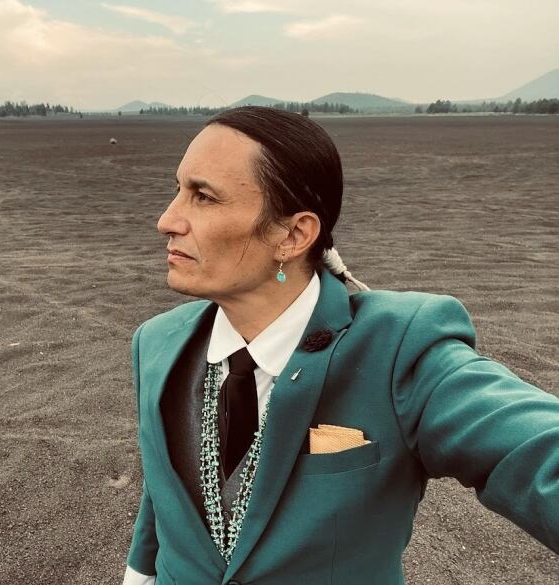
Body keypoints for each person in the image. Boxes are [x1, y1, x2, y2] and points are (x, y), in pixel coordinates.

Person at [121, 106, 558, 585]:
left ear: (292, 235)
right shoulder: (156, 343)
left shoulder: (399, 351)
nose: (166, 220)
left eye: (203, 197)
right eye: (178, 189)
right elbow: (164, 489)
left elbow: (534, 450)